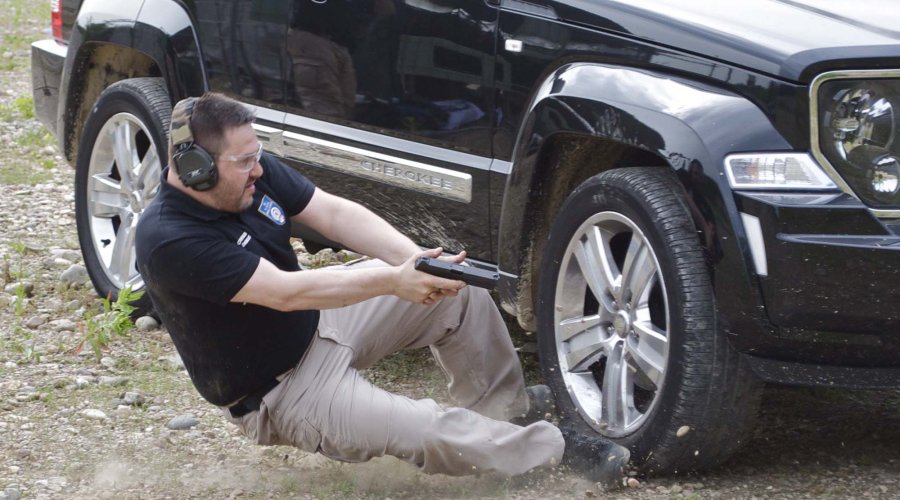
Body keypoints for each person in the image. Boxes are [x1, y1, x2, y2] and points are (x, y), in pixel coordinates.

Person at [134, 92, 629, 487]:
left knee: (455, 287)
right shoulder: (170, 239)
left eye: (256, 156)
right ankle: (552, 453)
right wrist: (392, 280)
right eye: (244, 162)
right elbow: (285, 292)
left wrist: (414, 262)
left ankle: (503, 412)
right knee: (428, 429)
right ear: (196, 167)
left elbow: (333, 213)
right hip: (283, 391)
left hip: (321, 323)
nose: (258, 170)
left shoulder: (245, 173)